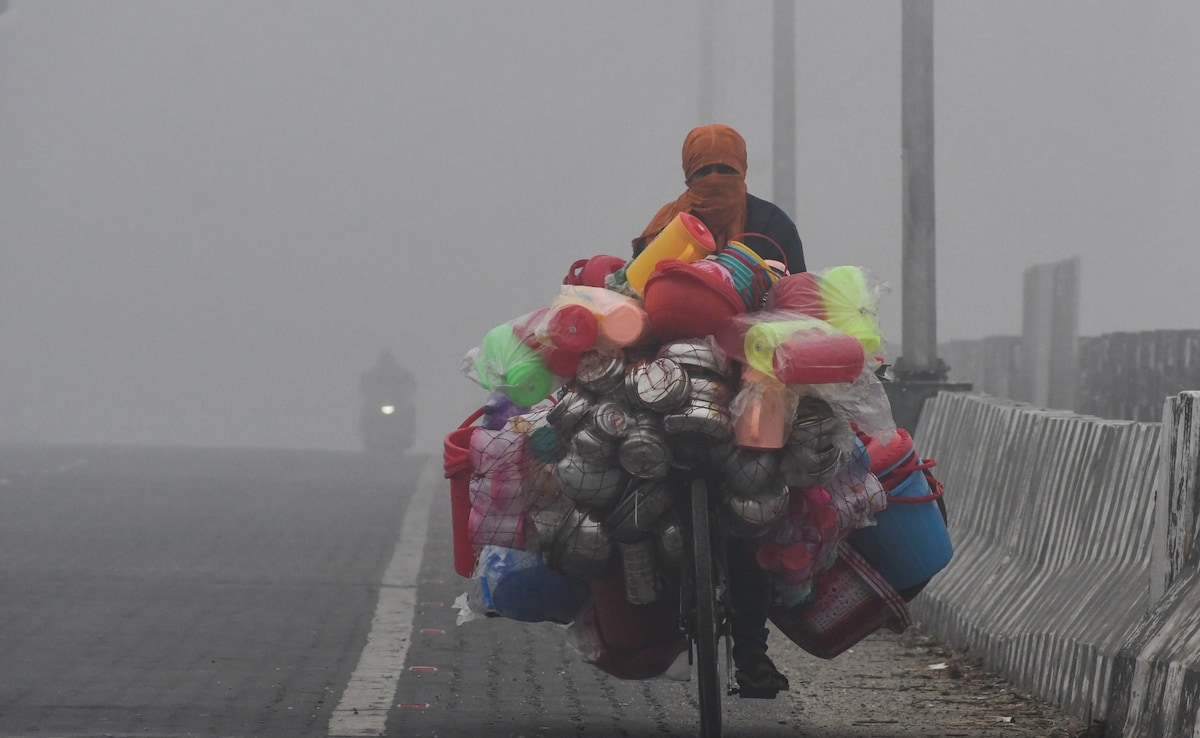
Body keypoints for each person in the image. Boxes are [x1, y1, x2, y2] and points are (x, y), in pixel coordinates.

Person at [633, 123, 805, 696]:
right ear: (745, 163)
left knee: (660, 495)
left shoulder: (666, 225)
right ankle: (752, 654)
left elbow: (633, 302)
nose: (715, 182)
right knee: (755, 514)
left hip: (677, 393)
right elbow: (801, 302)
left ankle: (666, 613)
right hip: (750, 392)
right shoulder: (773, 223)